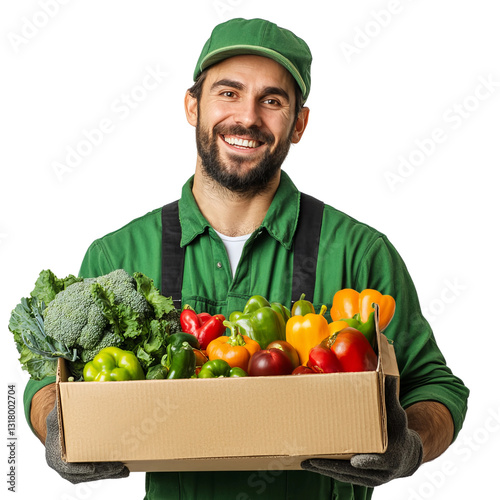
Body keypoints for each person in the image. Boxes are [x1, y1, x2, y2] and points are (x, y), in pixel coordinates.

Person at [24, 17, 469, 500]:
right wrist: (55, 427)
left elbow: (435, 387)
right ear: (192, 105)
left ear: (298, 124)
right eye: (228, 93)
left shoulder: (360, 252)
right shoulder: (118, 256)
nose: (248, 117)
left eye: (272, 100)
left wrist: (412, 446)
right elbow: (47, 380)